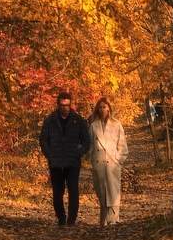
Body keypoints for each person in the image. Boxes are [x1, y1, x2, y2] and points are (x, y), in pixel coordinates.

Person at [39, 91, 90, 226]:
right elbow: (43, 140)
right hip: (56, 162)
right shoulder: (50, 120)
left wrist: (79, 152)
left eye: (67, 105)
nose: (65, 108)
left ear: (70, 105)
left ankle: (71, 220)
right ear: (58, 105)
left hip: (72, 161)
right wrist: (49, 155)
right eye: (62, 105)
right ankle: (61, 218)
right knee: (57, 192)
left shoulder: (78, 120)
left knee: (73, 190)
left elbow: (86, 141)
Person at [89, 96, 128, 226]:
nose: (102, 109)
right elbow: (90, 146)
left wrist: (118, 160)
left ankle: (113, 220)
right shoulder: (93, 126)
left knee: (113, 192)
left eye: (104, 107)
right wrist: (92, 162)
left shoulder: (116, 124)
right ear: (97, 109)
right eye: (100, 107)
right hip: (99, 164)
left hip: (112, 163)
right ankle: (103, 220)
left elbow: (123, 145)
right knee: (102, 193)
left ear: (109, 108)